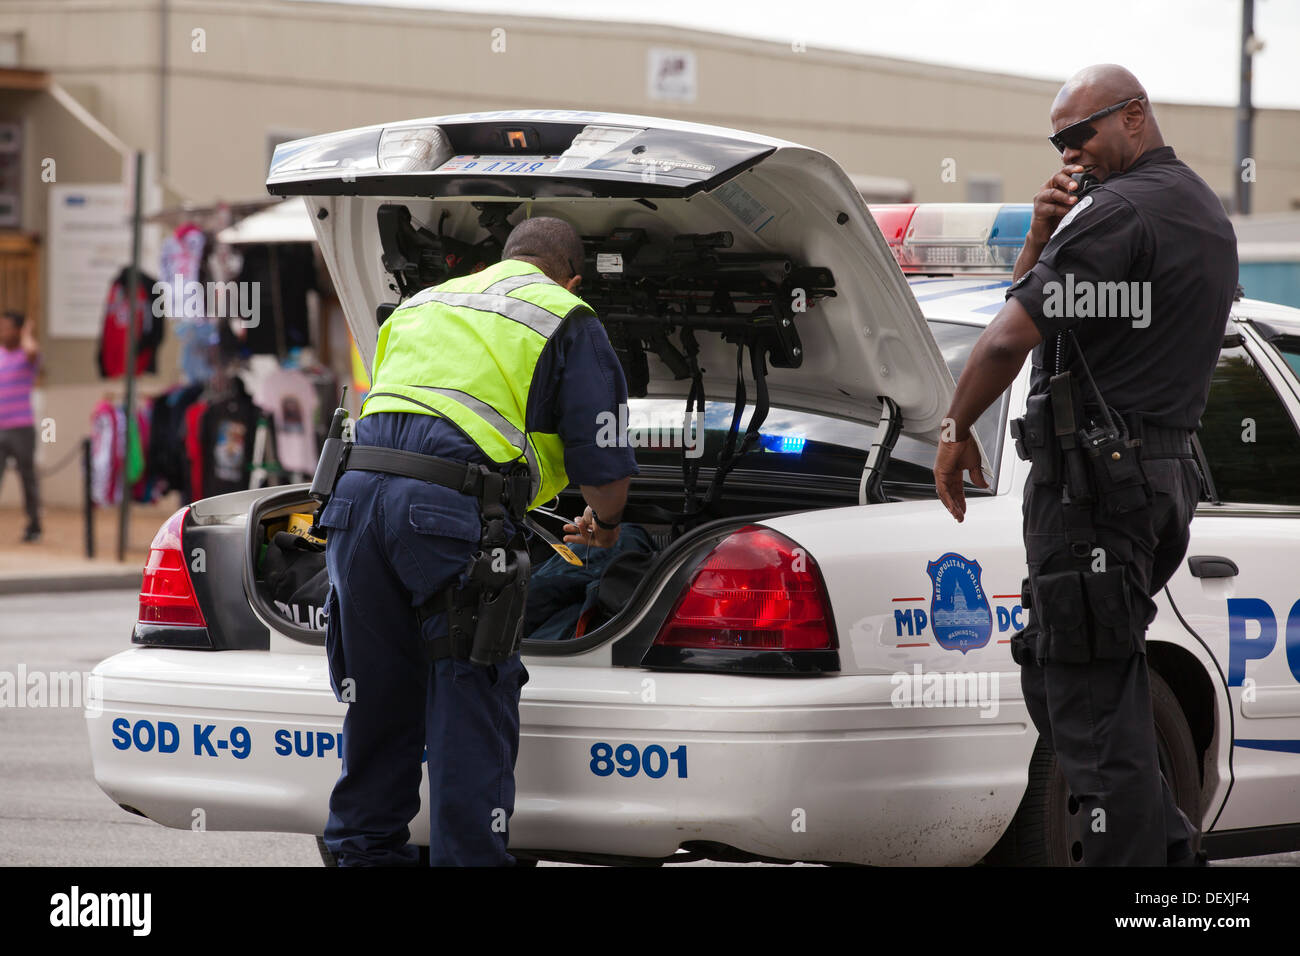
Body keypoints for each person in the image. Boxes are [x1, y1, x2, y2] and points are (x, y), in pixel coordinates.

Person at [932, 64, 1236, 866]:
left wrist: (953, 429)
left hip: (1098, 495)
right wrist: (1039, 239)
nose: (1072, 157)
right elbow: (1039, 310)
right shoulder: (1200, 208)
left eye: (1084, 135)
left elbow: (1004, 338)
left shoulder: (1118, 214)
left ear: (1135, 115)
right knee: (1077, 691)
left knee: (1094, 723)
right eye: (1059, 144)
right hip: (1155, 485)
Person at [317, 216, 637, 866]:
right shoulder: (568, 316)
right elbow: (605, 475)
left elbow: (413, 411)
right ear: (573, 277)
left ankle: (362, 854)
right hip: (444, 516)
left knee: (378, 697)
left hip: (351, 506)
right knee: (468, 693)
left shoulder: (423, 302)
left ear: (503, 258)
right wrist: (602, 528)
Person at [0, 310, 42, 543]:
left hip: (21, 428)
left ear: (17, 330)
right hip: (0, 427)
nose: (3, 332)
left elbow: (32, 351)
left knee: (28, 478)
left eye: (7, 327)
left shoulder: (27, 355)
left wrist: (27, 331)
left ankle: (34, 525)